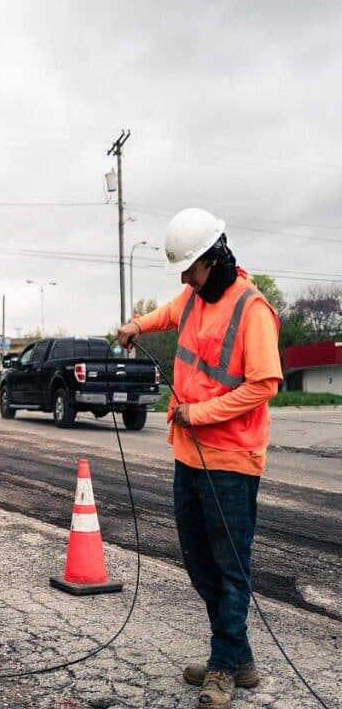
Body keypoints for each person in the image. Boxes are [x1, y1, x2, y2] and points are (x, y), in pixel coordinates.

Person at [116, 208, 281, 709]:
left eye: (190, 268)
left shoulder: (252, 310)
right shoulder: (195, 295)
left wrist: (202, 413)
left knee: (231, 569)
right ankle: (238, 658)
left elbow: (264, 384)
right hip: (188, 456)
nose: (185, 278)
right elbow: (168, 312)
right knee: (198, 563)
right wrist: (136, 325)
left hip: (232, 460)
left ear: (215, 259)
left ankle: (224, 668)